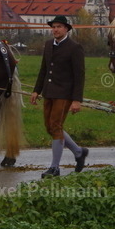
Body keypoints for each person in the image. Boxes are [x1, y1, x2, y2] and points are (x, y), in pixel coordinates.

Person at [31, 15, 89, 178]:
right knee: (50, 127)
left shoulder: (74, 47)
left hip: (64, 94)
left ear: (66, 29)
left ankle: (54, 168)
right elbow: (44, 69)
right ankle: (79, 152)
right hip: (49, 92)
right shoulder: (48, 45)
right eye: (53, 27)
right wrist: (37, 90)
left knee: (56, 126)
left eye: (59, 27)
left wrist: (77, 100)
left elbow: (80, 75)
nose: (55, 29)